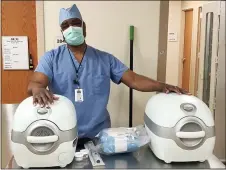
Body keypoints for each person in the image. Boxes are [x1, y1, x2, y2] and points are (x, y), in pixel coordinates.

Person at [28, 4, 189, 144]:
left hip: (98, 135)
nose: (70, 28)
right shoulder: (51, 58)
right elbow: (36, 83)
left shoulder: (104, 59)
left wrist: (164, 86)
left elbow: (134, 80)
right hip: (63, 133)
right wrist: (38, 89)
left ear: (84, 27)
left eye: (75, 23)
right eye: (65, 25)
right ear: (62, 31)